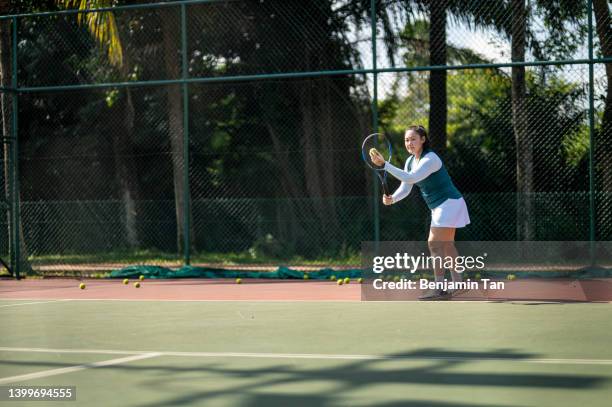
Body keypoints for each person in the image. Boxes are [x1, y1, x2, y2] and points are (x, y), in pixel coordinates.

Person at [370, 125, 470, 300]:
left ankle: (439, 288)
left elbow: (411, 178)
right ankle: (459, 283)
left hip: (448, 203)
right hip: (444, 205)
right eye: (407, 140)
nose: (409, 143)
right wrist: (393, 198)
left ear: (423, 139)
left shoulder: (430, 159)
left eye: (413, 139)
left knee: (434, 244)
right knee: (446, 245)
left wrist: (385, 165)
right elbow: (407, 186)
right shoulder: (410, 161)